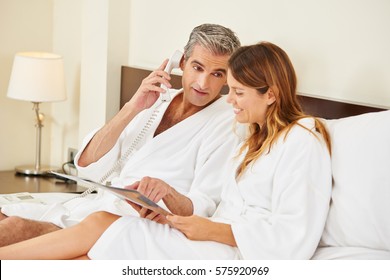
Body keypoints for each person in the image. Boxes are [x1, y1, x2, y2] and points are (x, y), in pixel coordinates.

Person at [0, 41, 332, 260]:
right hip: (200, 231)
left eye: (235, 90)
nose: (226, 98)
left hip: (231, 248)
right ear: (181, 63)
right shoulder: (253, 139)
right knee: (92, 234)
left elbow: (293, 237)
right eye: (230, 89)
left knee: (100, 231)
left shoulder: (302, 138)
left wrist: (205, 226)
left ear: (271, 95)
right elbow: (86, 165)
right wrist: (169, 214)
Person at [0, 23, 241, 246]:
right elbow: (87, 165)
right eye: (197, 67)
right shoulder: (158, 98)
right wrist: (133, 107)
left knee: (15, 227)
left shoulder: (227, 123)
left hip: (132, 222)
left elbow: (202, 208)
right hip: (94, 204)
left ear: (229, 77)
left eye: (217, 74)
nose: (203, 83)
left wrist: (167, 192)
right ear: (182, 61)